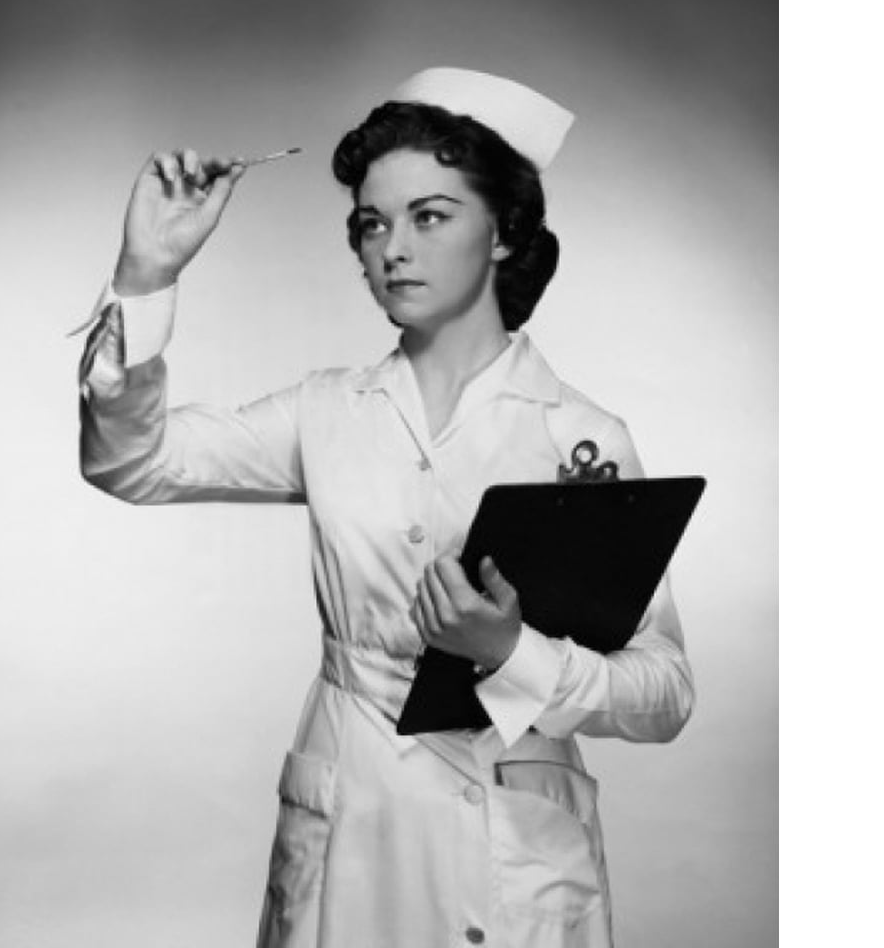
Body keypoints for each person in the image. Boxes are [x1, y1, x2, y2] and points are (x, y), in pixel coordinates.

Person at [77, 67, 694, 948]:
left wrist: (512, 653)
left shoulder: (581, 438)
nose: (391, 247)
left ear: (507, 234)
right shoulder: (324, 413)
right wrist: (146, 274)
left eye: (429, 216)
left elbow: (665, 694)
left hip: (510, 843)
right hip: (353, 824)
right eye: (372, 223)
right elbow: (127, 459)